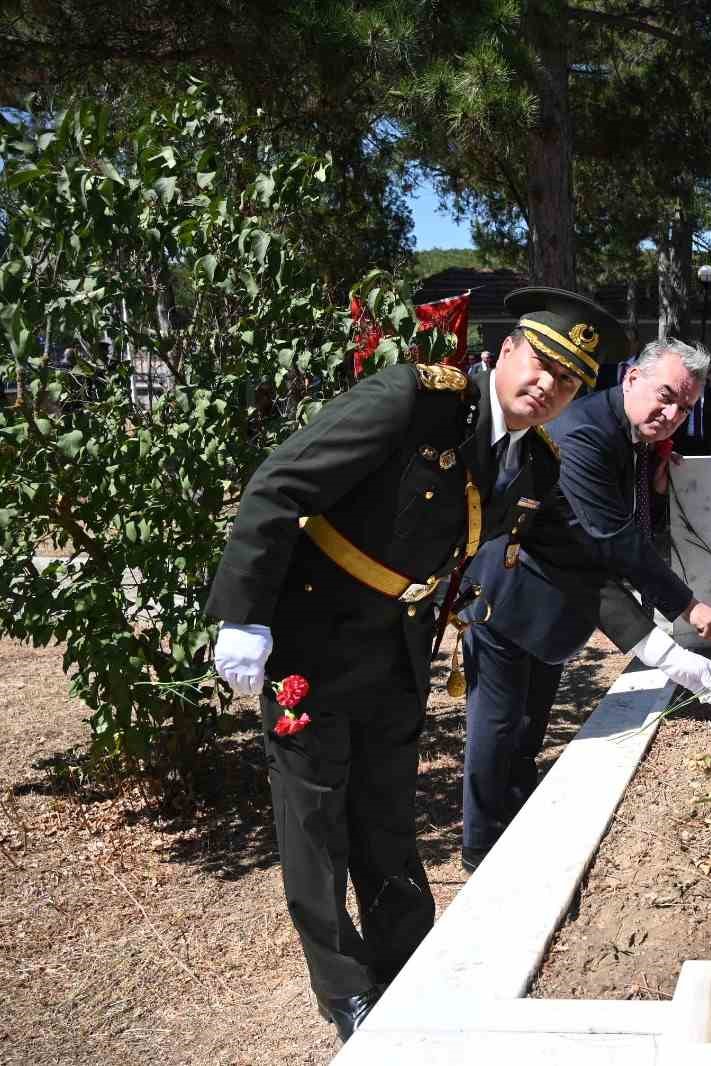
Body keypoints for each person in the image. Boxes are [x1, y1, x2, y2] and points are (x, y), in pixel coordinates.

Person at [205, 286, 599, 1042]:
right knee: (316, 822)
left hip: (400, 649)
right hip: (312, 638)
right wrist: (244, 614)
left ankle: (409, 959)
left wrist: (654, 641)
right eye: (542, 362)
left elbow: (580, 561)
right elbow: (280, 483)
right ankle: (344, 987)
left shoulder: (532, 465)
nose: (549, 385)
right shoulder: (413, 401)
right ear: (507, 349)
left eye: (569, 380)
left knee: (387, 815)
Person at [458, 337, 711, 872]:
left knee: (526, 730)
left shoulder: (626, 432)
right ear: (632, 378)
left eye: (685, 408)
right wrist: (683, 610)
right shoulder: (584, 433)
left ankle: (516, 825)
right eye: (666, 396)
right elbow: (610, 541)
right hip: (510, 599)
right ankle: (481, 850)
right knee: (497, 728)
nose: (671, 414)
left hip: (555, 607)